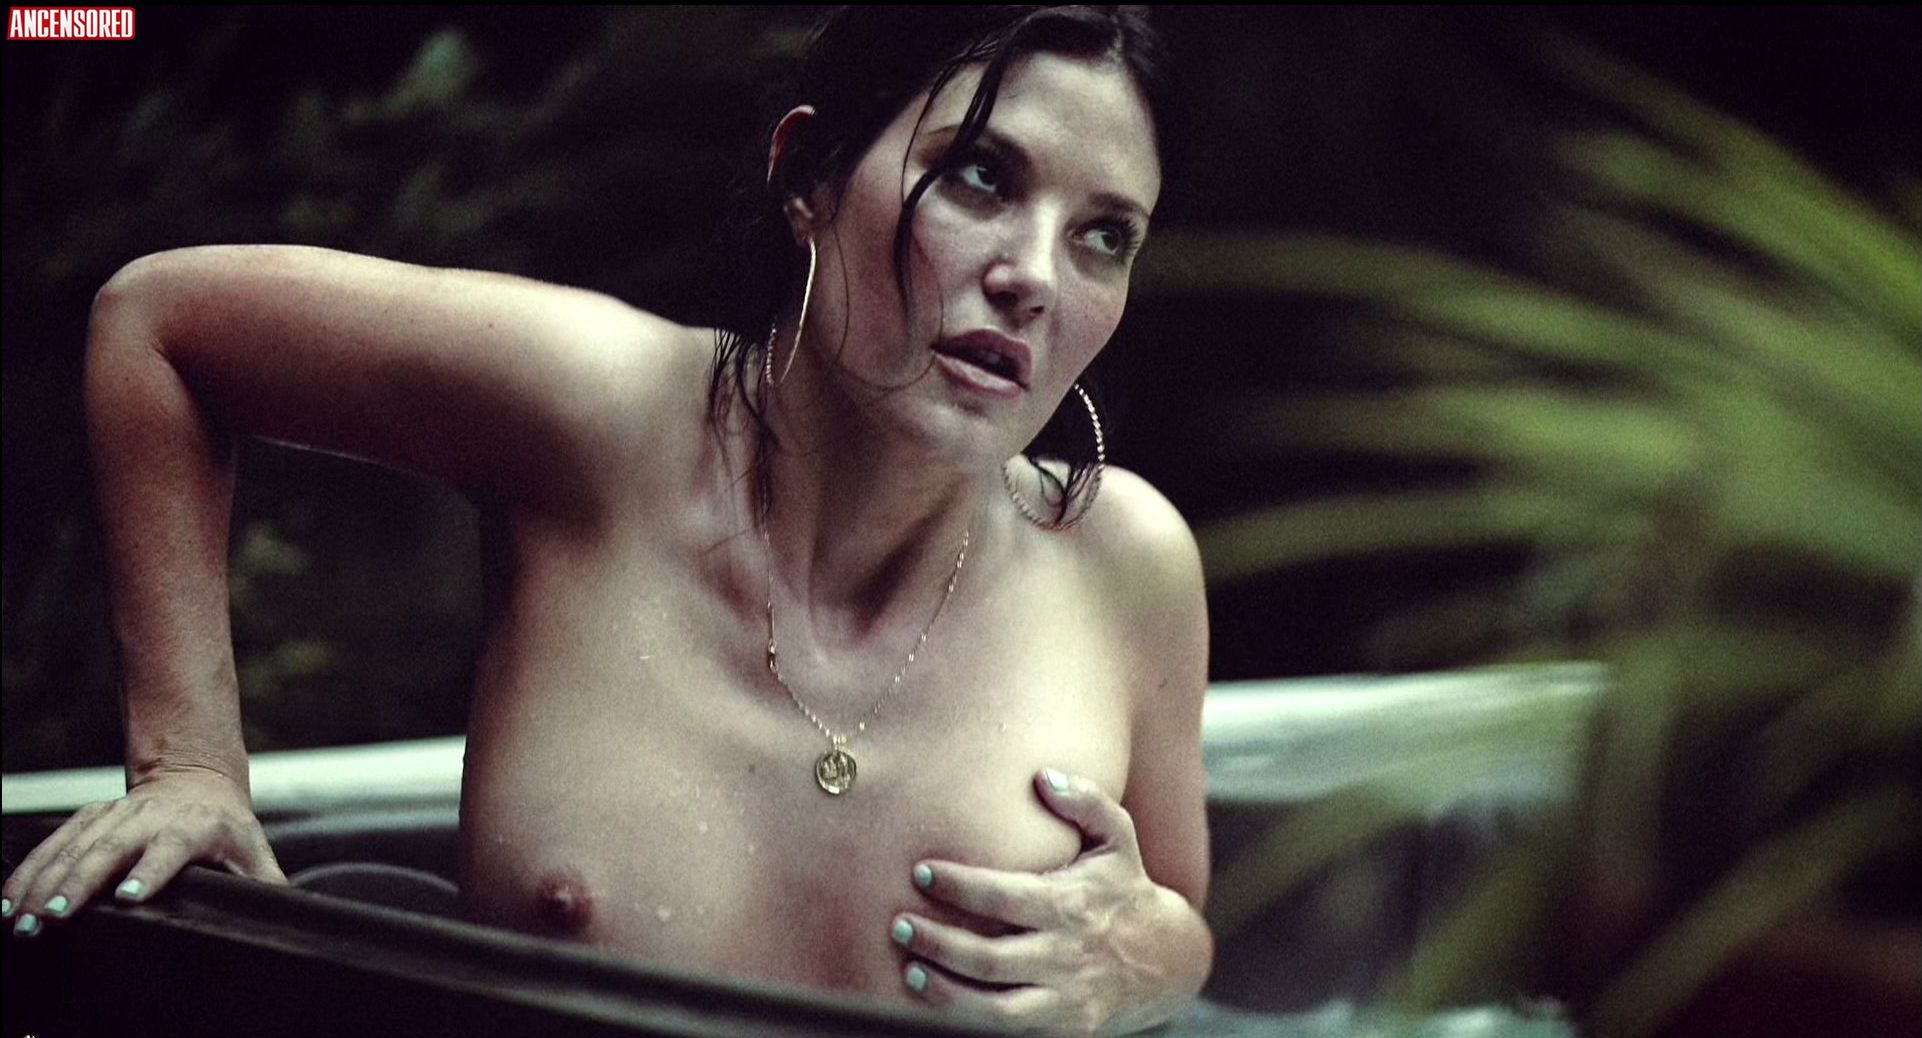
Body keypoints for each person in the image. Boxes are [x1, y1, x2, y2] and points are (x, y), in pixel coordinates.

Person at [2, 7, 1213, 1033]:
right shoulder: (600, 418)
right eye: (981, 178)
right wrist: (188, 769)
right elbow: (160, 327)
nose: (1034, 276)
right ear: (806, 176)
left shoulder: (1125, 564)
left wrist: (1169, 958)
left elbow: (1172, 930)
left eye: (1104, 236)